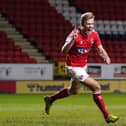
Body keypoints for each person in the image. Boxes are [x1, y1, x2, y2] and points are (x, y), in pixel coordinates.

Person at [44, 12, 119, 123]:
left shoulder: (94, 34)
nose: (90, 26)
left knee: (73, 91)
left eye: (92, 24)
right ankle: (107, 116)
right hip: (72, 67)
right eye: (88, 24)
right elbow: (63, 50)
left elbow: (100, 48)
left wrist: (106, 56)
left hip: (82, 67)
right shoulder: (74, 34)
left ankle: (50, 99)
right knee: (96, 87)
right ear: (83, 23)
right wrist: (72, 41)